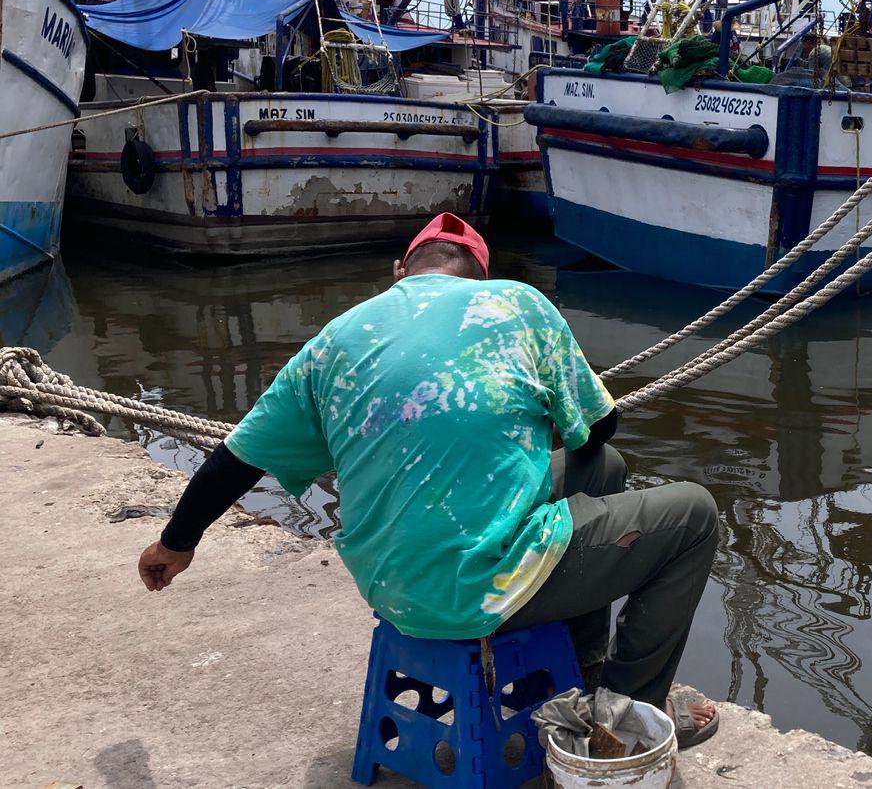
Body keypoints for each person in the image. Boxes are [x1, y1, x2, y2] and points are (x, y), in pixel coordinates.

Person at [136, 213, 720, 745]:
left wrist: (176, 543)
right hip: (481, 587)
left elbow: (235, 459)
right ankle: (626, 720)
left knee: (603, 474)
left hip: (393, 590)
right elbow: (599, 427)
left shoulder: (334, 339)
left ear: (400, 272)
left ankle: (583, 672)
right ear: (480, 275)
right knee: (693, 515)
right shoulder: (515, 304)